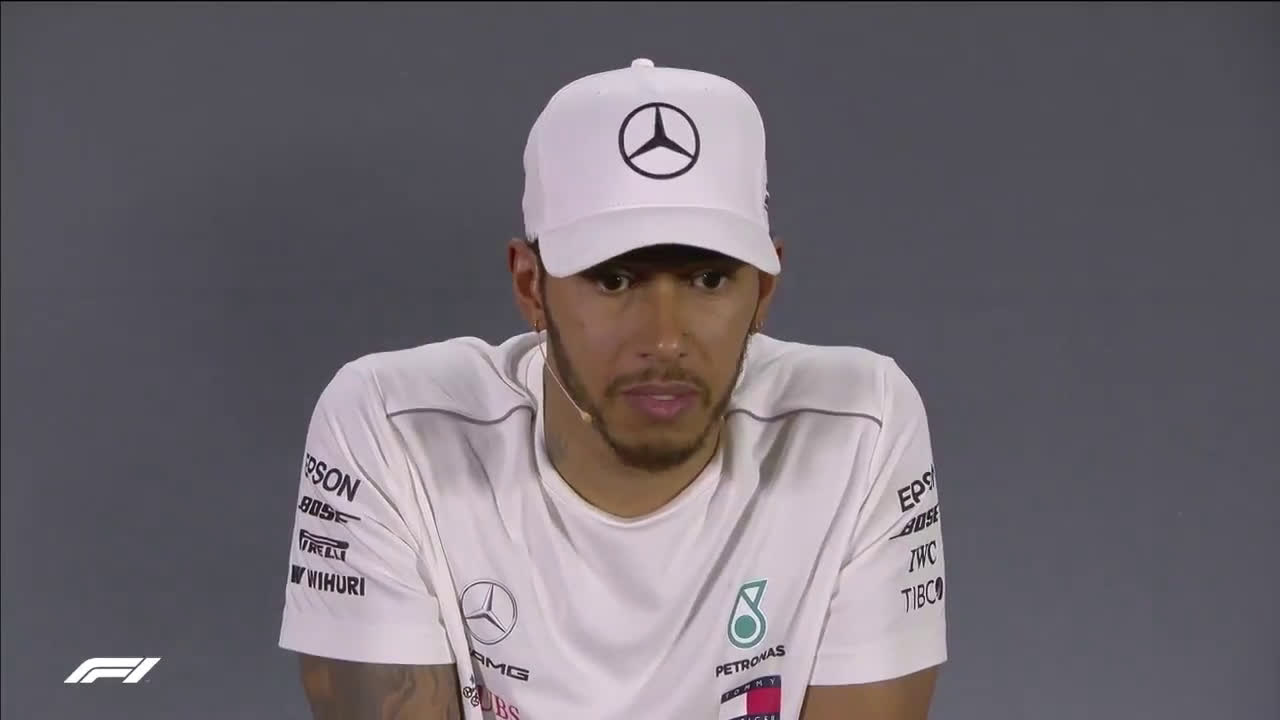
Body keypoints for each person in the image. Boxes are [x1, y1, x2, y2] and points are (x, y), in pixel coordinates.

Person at [277, 57, 948, 720]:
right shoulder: (394, 427)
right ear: (530, 287)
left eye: (709, 279)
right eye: (614, 279)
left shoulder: (859, 426)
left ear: (764, 291)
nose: (665, 339)